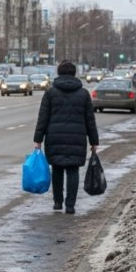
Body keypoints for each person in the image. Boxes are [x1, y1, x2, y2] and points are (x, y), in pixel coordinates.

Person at [33, 59, 99, 214]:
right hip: (77, 138)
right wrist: (94, 141)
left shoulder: (50, 92)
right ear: (74, 74)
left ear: (59, 73)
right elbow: (90, 120)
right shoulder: (83, 94)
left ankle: (57, 202)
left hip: (55, 137)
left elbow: (43, 118)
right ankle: (70, 205)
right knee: (73, 171)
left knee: (57, 169)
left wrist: (38, 140)